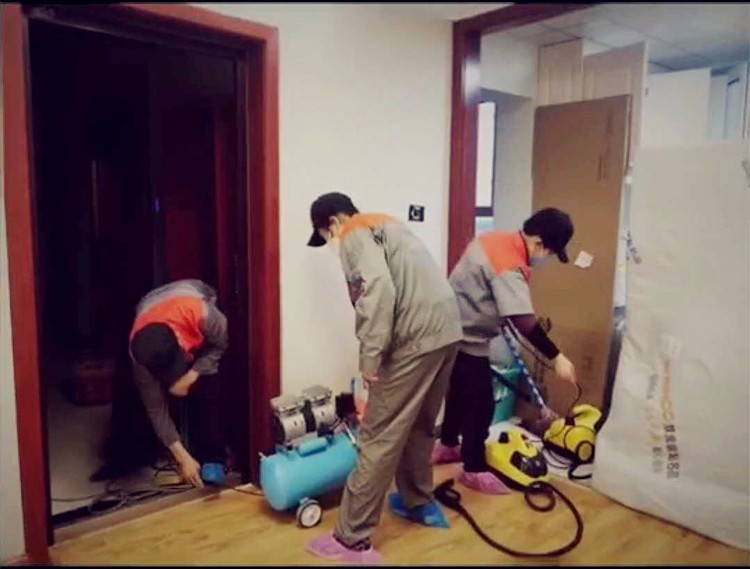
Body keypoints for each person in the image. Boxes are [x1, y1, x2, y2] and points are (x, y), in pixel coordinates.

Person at [305, 193, 463, 565]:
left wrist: (370, 358)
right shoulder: (389, 225)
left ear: (333, 223)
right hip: (447, 332)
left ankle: (351, 538)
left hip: (415, 339)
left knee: (377, 437)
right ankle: (418, 502)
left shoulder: (353, 233)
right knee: (420, 424)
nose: (330, 243)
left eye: (325, 235)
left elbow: (378, 290)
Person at [431, 208, 578, 494]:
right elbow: (524, 321)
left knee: (461, 393)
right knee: (481, 404)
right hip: (464, 337)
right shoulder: (509, 265)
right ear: (539, 243)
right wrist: (557, 357)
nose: (546, 258)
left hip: (451, 330)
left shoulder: (493, 240)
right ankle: (473, 469)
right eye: (549, 252)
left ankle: (448, 445)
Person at [128, 279, 229, 488]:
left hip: (193, 293)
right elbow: (157, 410)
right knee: (163, 400)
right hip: (149, 305)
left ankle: (214, 456)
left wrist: (192, 375)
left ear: (181, 341)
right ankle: (187, 452)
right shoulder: (140, 359)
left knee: (208, 386)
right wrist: (183, 457)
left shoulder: (202, 313)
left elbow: (220, 344)